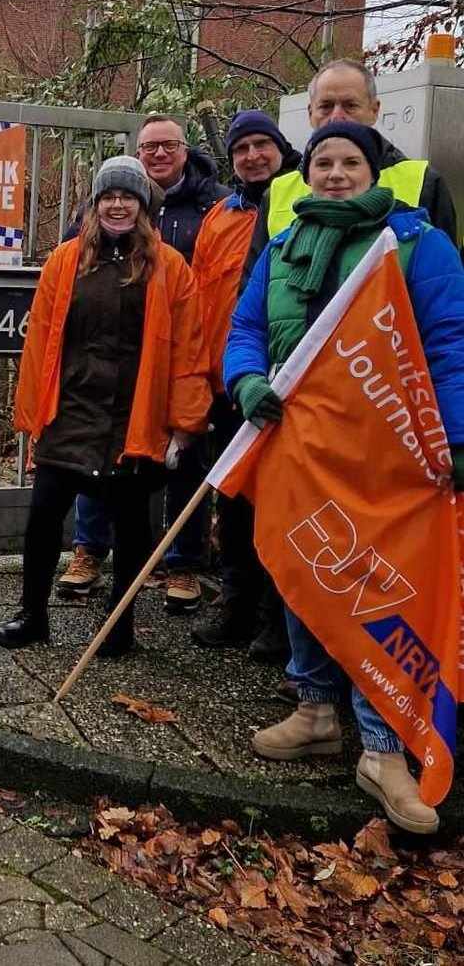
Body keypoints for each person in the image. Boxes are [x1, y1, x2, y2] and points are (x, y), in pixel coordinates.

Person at [225, 119, 464, 834]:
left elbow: (451, 342)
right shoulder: (283, 243)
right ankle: (315, 711)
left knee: (373, 584)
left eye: (348, 161)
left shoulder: (418, 244)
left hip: (385, 453)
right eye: (322, 161)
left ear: (374, 170)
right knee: (306, 570)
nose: (333, 173)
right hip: (298, 447)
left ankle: (384, 747)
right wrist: (243, 380)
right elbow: (246, 329)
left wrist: (457, 437)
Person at [0, 157, 211, 657]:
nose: (118, 205)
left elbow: (189, 350)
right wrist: (34, 413)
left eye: (128, 196)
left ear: (144, 206)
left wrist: (184, 423)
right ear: (94, 205)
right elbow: (41, 341)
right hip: (70, 411)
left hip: (135, 415)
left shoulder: (171, 268)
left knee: (134, 525)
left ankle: (119, 621)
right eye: (109, 196)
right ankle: (32, 613)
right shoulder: (65, 261)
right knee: (43, 517)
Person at [61, 118, 226, 613]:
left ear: (184, 149)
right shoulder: (95, 220)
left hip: (174, 359)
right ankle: (89, 552)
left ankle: (182, 563)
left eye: (168, 145)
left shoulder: (211, 205)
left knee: (183, 463)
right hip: (106, 372)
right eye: (149, 147)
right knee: (97, 462)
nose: (158, 154)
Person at [190, 112, 293, 660]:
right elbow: (206, 299)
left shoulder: (294, 204)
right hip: (229, 380)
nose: (253, 156)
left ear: (281, 148)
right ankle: (236, 605)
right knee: (232, 502)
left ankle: (278, 621)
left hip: (282, 386)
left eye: (262, 145)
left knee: (278, 503)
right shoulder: (221, 216)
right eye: (242, 149)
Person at [244, 60, 458, 274]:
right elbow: (255, 284)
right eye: (326, 106)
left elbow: (447, 280)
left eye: (350, 105)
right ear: (311, 113)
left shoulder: (424, 182)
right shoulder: (277, 192)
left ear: (374, 110)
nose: (337, 116)